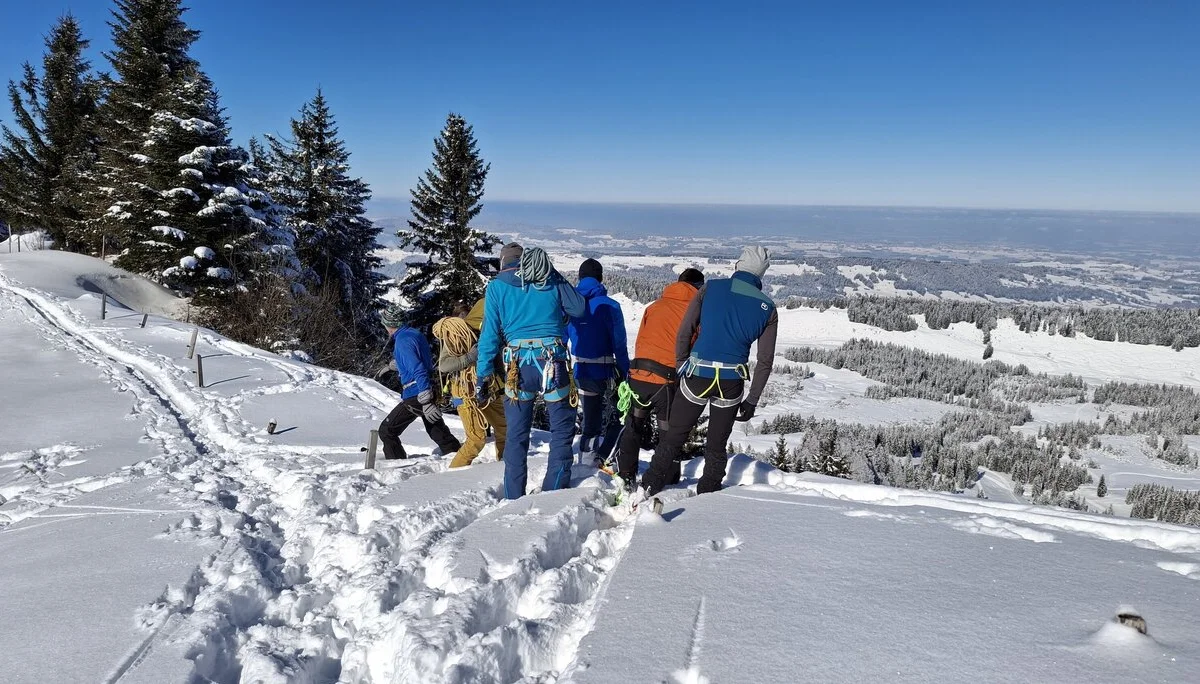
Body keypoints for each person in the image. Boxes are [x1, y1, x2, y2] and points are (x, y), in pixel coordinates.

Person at [641, 247, 778, 496]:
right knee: (716, 445)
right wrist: (752, 400)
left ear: (739, 264)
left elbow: (686, 330)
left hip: (697, 374)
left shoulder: (711, 288)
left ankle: (649, 486)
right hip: (731, 382)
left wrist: (682, 363)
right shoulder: (767, 307)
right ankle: (708, 496)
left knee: (674, 436)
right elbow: (765, 360)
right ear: (762, 273)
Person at [476, 244, 588, 499]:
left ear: (503, 262)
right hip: (553, 361)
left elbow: (489, 337)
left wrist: (483, 376)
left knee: (516, 435)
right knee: (561, 430)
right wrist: (553, 273)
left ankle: (514, 495)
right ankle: (554, 491)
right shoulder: (549, 279)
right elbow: (579, 308)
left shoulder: (496, 287)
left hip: (517, 366)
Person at [614, 268, 705, 491]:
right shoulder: (695, 310)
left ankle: (625, 475)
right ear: (698, 287)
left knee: (634, 426)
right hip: (665, 381)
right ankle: (666, 480)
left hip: (638, 375)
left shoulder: (654, 306)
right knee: (668, 433)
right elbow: (695, 344)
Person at [378, 304, 462, 460]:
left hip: (416, 392)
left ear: (390, 324)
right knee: (435, 428)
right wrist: (395, 366)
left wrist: (425, 396)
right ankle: (456, 454)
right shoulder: (414, 334)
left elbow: (417, 367)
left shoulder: (402, 341)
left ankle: (395, 465)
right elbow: (418, 358)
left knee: (387, 431)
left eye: (385, 324)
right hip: (427, 385)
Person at [567, 258, 630, 465]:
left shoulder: (570, 306)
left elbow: (561, 337)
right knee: (620, 416)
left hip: (582, 371)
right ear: (600, 279)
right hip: (607, 371)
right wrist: (625, 372)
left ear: (580, 277)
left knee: (590, 422)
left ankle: (586, 461)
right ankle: (606, 455)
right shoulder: (610, 306)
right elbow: (619, 343)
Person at [432, 300, 507, 468]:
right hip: (465, 390)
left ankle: (505, 467)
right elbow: (444, 366)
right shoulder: (456, 333)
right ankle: (454, 475)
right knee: (476, 439)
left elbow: (496, 360)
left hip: (489, 387)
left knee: (505, 431)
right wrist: (470, 357)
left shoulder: (490, 332)